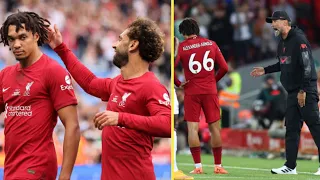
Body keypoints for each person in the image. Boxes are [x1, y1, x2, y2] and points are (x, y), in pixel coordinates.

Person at [47, 18, 171, 180]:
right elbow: (90, 83)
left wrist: (120, 118)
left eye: (120, 40)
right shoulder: (117, 83)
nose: (114, 45)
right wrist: (60, 48)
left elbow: (167, 125)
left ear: (133, 45)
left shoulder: (151, 86)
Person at [0, 11, 80, 180]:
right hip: (11, 169)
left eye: (22, 37)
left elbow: (72, 126)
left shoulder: (53, 71)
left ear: (36, 36)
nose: (16, 44)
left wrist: (65, 176)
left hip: (37, 169)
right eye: (12, 39)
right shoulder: (5, 75)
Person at [250, 11, 320, 175]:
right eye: (271, 22)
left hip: (305, 90)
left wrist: (303, 90)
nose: (272, 24)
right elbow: (283, 63)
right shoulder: (282, 42)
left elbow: (308, 66)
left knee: (315, 126)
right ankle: (290, 166)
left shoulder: (298, 39)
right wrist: (265, 70)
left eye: (274, 21)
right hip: (292, 92)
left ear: (285, 22)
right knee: (292, 129)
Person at [174, 18, 229, 174]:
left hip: (191, 91)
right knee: (215, 129)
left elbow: (172, 67)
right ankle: (218, 166)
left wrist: (179, 83)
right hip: (210, 90)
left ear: (183, 33)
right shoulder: (211, 44)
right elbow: (224, 68)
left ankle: (198, 167)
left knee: (193, 129)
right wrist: (213, 80)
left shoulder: (183, 47)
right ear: (197, 30)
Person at [173, 37, 194, 180]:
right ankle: (172, 169)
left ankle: (174, 169)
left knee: (173, 127)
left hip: (171, 90)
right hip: (168, 91)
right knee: (172, 127)